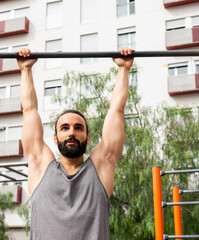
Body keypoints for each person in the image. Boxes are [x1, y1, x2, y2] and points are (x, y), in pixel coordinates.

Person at [16, 47, 134, 240]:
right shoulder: (40, 166)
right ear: (55, 138)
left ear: (88, 138)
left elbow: (117, 110)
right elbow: (29, 110)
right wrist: (26, 70)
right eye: (64, 128)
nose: (71, 132)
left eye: (78, 128)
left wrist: (123, 69)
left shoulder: (100, 167)